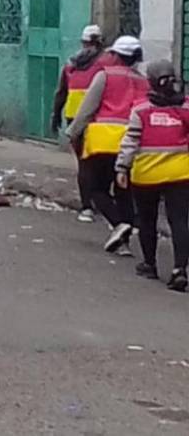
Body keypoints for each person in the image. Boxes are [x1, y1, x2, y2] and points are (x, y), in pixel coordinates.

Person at [69, 35, 147, 255]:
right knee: (123, 192)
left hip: (102, 141)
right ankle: (123, 243)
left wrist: (73, 132)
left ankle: (118, 224)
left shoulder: (105, 76)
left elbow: (88, 108)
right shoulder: (143, 81)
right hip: (130, 144)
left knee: (96, 188)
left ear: (116, 56)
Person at [116, 59, 189, 291]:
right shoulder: (186, 108)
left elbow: (130, 141)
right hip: (180, 174)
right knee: (179, 221)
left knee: (147, 220)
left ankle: (149, 264)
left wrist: (122, 167)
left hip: (146, 175)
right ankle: (179, 270)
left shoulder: (141, 110)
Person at [51, 25, 108, 223]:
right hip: (97, 119)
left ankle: (87, 207)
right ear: (100, 42)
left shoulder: (71, 64)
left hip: (74, 118)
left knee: (84, 163)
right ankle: (100, 202)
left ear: (83, 42)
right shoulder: (104, 65)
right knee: (100, 162)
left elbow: (61, 93)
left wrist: (55, 115)